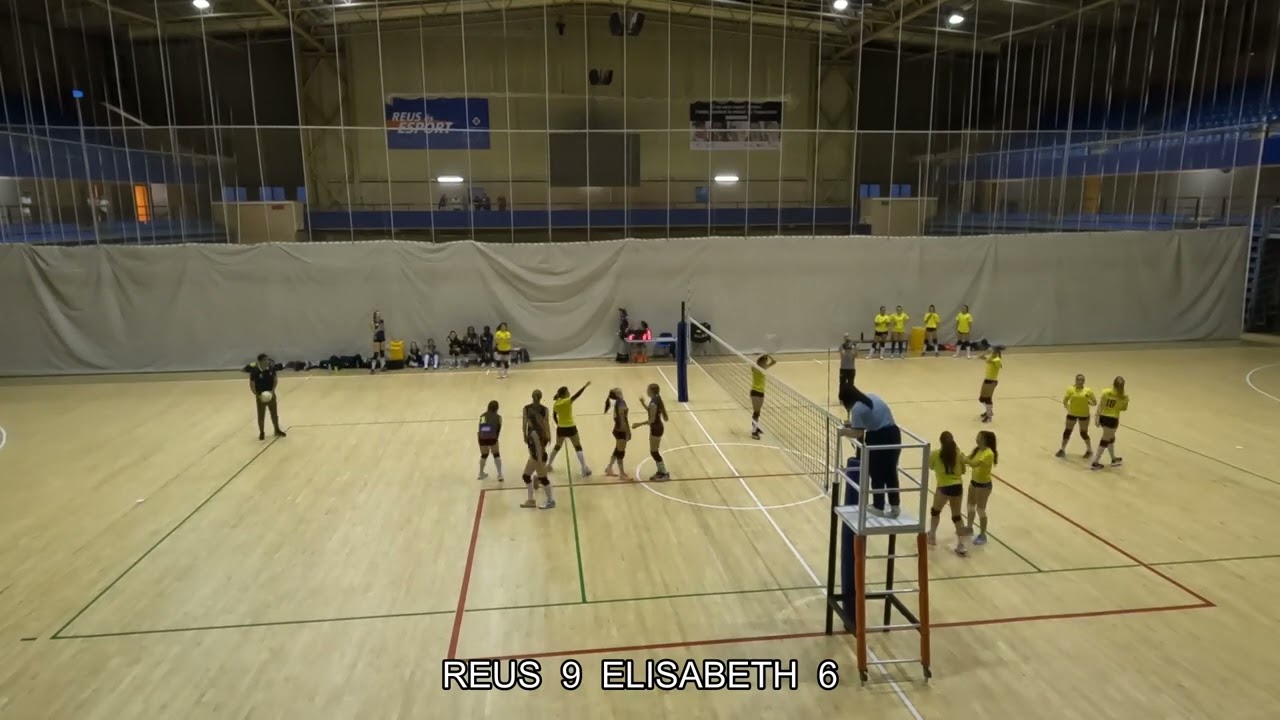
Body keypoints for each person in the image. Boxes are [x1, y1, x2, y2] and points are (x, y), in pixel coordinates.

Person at [838, 386, 901, 517]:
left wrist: (843, 432)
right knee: (890, 471)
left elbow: (857, 432)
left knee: (876, 471)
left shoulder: (856, 409)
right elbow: (871, 420)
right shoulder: (872, 396)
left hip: (879, 438)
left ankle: (878, 506)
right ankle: (895, 507)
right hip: (894, 434)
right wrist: (852, 425)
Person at [927, 431, 968, 556]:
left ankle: (932, 535)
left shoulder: (935, 454)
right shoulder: (959, 454)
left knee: (935, 511)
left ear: (941, 442)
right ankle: (961, 545)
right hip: (957, 487)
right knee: (957, 516)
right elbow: (963, 471)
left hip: (943, 487)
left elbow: (931, 466)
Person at [546, 382, 593, 477]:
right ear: (564, 394)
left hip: (561, 428)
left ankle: (549, 465)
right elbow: (577, 395)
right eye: (567, 392)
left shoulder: (556, 404)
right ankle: (584, 468)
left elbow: (554, 415)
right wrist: (584, 386)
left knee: (557, 446)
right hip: (571, 427)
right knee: (578, 447)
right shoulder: (567, 401)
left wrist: (558, 424)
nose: (569, 393)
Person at [963, 430, 998, 545]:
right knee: (970, 505)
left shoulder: (988, 454)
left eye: (978, 437)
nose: (976, 439)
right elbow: (969, 458)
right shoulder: (978, 450)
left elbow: (974, 463)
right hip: (974, 483)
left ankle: (983, 535)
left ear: (984, 440)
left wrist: (962, 459)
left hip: (983, 486)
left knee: (980, 509)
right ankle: (969, 527)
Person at [521, 390, 555, 509]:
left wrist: (524, 434)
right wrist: (549, 435)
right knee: (526, 476)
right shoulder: (544, 409)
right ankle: (531, 500)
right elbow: (546, 424)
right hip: (537, 449)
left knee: (543, 478)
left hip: (537, 454)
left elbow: (524, 422)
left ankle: (551, 501)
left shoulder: (526, 409)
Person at [1092, 376, 1130, 471]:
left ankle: (1113, 459)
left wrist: (1097, 417)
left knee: (1111, 438)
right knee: (1105, 439)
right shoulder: (1123, 397)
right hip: (1113, 419)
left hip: (1104, 417)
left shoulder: (1106, 392)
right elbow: (1123, 409)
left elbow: (1101, 405)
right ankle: (1095, 462)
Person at [634, 383, 670, 480]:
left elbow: (651, 420)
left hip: (656, 429)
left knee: (654, 452)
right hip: (657, 428)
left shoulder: (654, 402)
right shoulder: (657, 399)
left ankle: (664, 473)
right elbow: (651, 411)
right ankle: (661, 471)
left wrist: (638, 424)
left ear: (651, 391)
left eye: (648, 389)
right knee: (654, 451)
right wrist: (643, 403)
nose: (647, 391)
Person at [249, 353, 287, 441]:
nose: (267, 361)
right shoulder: (255, 371)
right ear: (261, 361)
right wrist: (258, 395)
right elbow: (252, 385)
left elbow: (275, 380)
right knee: (261, 415)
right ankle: (262, 432)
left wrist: (272, 391)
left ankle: (276, 430)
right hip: (260, 396)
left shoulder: (271, 368)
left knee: (274, 414)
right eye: (266, 360)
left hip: (271, 394)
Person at [1057, 374, 1096, 459]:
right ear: (1075, 380)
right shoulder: (1071, 390)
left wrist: (1089, 402)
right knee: (1067, 431)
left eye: (1082, 380)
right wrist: (1068, 409)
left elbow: (1094, 402)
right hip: (1072, 414)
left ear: (1084, 381)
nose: (1080, 382)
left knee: (1083, 433)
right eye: (1078, 380)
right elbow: (1065, 401)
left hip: (1084, 414)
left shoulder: (1088, 391)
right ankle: (1062, 449)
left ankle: (1089, 450)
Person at [603, 388, 632, 481]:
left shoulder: (620, 402)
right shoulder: (620, 404)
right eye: (619, 391)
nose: (621, 392)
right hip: (620, 430)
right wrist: (627, 431)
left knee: (617, 450)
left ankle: (609, 468)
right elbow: (622, 419)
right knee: (621, 452)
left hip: (619, 429)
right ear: (617, 394)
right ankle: (622, 474)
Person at [750, 354, 777, 440]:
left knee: (758, 412)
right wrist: (760, 356)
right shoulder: (755, 368)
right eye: (764, 362)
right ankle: (754, 432)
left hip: (761, 393)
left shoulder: (763, 369)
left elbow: (774, 362)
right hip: (755, 392)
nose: (766, 363)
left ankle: (756, 427)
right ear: (760, 362)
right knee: (756, 412)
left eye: (766, 362)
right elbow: (752, 363)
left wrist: (768, 355)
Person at [477, 400, 504, 481]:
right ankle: (500, 475)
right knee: (496, 455)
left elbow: (481, 427)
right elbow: (498, 429)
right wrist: (495, 439)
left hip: (482, 437)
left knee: (484, 455)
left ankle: (481, 473)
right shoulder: (498, 417)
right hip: (493, 437)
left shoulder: (482, 416)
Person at [978, 345, 1004, 423]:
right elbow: (981, 357)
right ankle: (988, 411)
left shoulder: (997, 359)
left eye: (992, 351)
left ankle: (989, 416)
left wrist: (995, 360)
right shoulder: (991, 358)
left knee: (988, 399)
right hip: (987, 380)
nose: (991, 352)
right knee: (982, 398)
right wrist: (987, 352)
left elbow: (999, 365)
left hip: (992, 381)